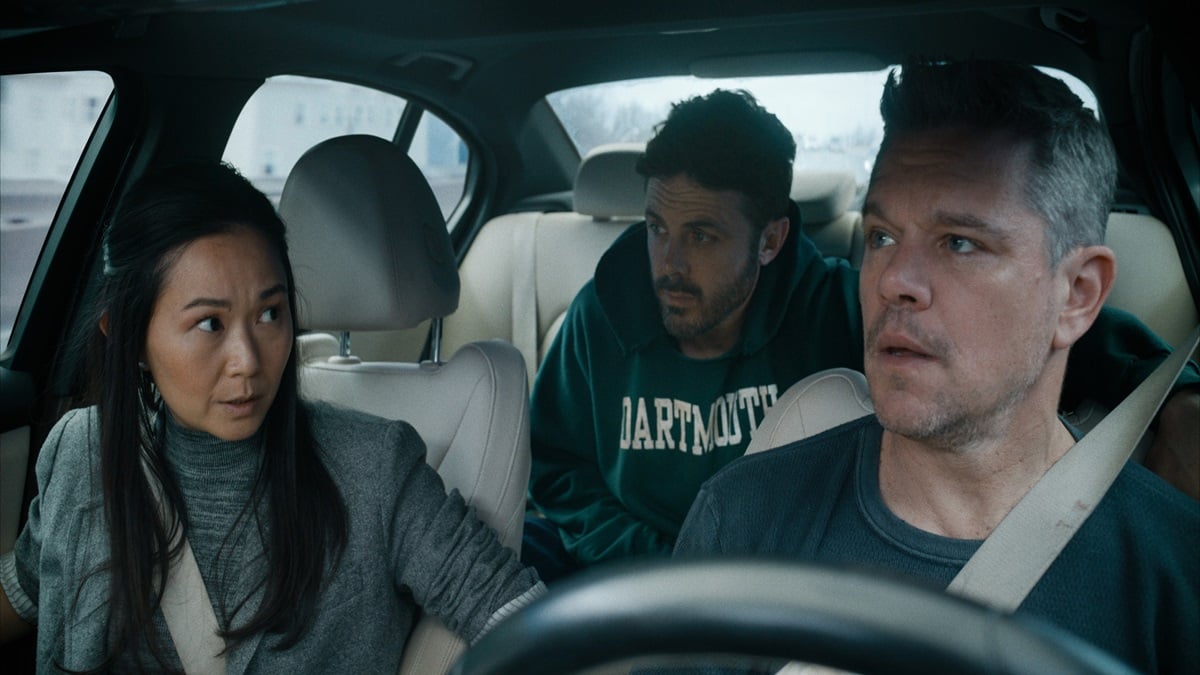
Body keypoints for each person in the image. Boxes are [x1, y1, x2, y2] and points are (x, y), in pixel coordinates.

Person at [525, 86, 1200, 581]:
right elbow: (556, 468)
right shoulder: (601, 317)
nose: (668, 263)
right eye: (657, 229)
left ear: (769, 240)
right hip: (635, 583)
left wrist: (1175, 396)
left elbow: (1034, 339)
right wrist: (652, 557)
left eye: (701, 235)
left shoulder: (838, 313)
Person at [672, 59, 1198, 674]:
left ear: (1077, 294)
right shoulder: (741, 519)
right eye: (882, 237)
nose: (894, 281)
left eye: (960, 243)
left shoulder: (1175, 571)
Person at [0, 163, 544, 672]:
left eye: (270, 314)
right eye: (210, 324)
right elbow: (25, 592)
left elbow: (517, 612)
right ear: (127, 335)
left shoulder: (375, 469)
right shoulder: (80, 453)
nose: (250, 361)